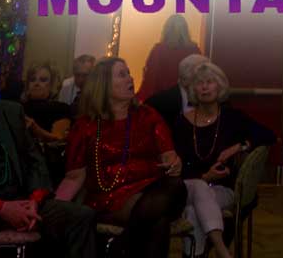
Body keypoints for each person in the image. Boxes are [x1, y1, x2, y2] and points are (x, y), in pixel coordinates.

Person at [55, 58, 186, 258]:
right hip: (112, 197)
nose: (130, 78)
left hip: (155, 189)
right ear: (104, 84)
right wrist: (54, 208)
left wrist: (175, 164)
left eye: (129, 73)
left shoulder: (147, 115)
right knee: (159, 222)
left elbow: (169, 157)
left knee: (175, 186)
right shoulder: (86, 125)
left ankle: (122, 245)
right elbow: (74, 177)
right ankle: (124, 246)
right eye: (122, 75)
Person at [173, 61, 275, 258]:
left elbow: (268, 135)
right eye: (199, 83)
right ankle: (223, 251)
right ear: (193, 89)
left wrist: (238, 146)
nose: (204, 87)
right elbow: (177, 166)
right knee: (200, 188)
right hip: (188, 189)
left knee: (194, 213)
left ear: (219, 86)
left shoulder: (232, 118)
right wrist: (204, 176)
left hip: (222, 190)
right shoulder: (182, 122)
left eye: (209, 82)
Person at [0, 91, 95, 257]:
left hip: (20, 198)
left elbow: (34, 160)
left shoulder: (10, 111)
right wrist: (0, 207)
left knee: (81, 216)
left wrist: (35, 200)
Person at [137, 14, 201, 101]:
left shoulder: (159, 50)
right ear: (186, 30)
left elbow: (150, 79)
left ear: (166, 30)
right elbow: (201, 76)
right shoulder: (194, 51)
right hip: (188, 99)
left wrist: (141, 98)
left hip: (162, 99)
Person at [145, 53, 209, 127]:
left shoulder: (218, 104)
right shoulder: (156, 104)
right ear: (186, 79)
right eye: (203, 75)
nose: (207, 83)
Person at [20, 62, 71, 143]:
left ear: (52, 84)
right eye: (32, 79)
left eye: (43, 80)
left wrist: (36, 129)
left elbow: (59, 139)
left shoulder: (61, 108)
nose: (36, 83)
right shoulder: (19, 107)